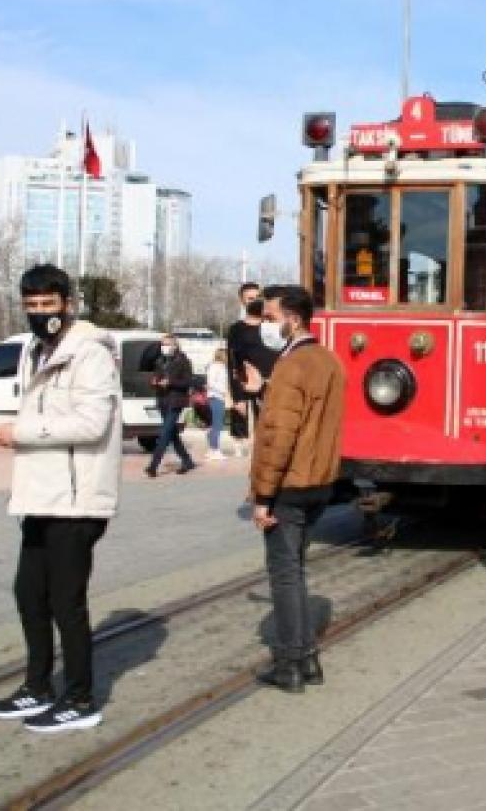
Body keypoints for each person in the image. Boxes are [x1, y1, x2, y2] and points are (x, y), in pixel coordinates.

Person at [0, 264, 121, 732]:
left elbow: (91, 424)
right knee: (29, 594)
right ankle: (37, 686)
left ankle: (81, 698)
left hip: (78, 497)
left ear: (68, 303)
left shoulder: (90, 353)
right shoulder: (36, 352)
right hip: (42, 495)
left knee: (66, 600)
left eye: (48, 304)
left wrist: (20, 433)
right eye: (32, 306)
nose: (40, 313)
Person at [250, 285, 345, 693]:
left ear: (294, 319)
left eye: (270, 318)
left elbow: (280, 436)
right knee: (298, 570)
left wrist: (263, 496)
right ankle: (308, 660)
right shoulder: (329, 360)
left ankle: (290, 663)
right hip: (320, 481)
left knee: (285, 576)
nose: (265, 326)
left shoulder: (292, 366)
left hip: (289, 484)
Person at [227, 282, 279, 454]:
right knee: (258, 441)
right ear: (242, 302)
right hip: (250, 387)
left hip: (274, 386)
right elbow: (233, 363)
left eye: (258, 297)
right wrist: (237, 398)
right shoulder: (236, 330)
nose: (255, 301)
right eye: (250, 299)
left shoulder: (274, 326)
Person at [145, 335, 196, 477]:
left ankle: (153, 465)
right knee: (172, 434)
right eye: (162, 344)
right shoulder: (160, 361)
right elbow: (155, 376)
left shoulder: (184, 361)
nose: (164, 347)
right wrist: (154, 381)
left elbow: (188, 382)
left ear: (175, 345)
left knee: (165, 433)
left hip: (176, 401)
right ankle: (187, 461)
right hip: (163, 400)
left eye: (167, 344)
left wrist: (171, 382)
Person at [204, 347, 230, 461]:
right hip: (217, 397)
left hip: (218, 397)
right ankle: (215, 449)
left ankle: (212, 449)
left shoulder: (221, 367)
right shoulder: (215, 367)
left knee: (215, 424)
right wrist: (224, 391)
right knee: (217, 425)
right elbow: (211, 383)